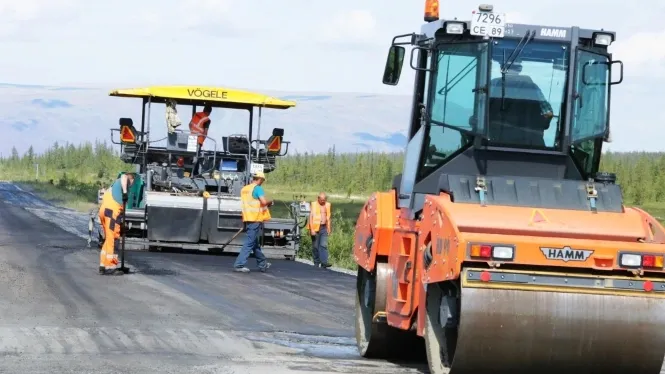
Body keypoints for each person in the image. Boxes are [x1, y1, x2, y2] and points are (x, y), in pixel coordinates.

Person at [233, 171, 273, 273]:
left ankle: (262, 263)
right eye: (262, 180)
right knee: (249, 243)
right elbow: (263, 202)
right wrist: (271, 202)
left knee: (255, 243)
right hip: (255, 218)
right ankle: (239, 264)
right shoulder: (257, 188)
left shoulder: (245, 189)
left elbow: (252, 203)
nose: (262, 182)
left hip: (247, 217)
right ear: (260, 179)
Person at [97, 172, 136, 275]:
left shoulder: (114, 186)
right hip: (111, 212)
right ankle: (111, 267)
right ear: (131, 179)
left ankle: (103, 265)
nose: (131, 184)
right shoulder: (124, 180)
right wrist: (125, 191)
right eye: (132, 182)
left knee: (108, 239)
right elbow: (123, 176)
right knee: (113, 239)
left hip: (104, 211)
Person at [309, 192, 332, 268]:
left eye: (324, 200)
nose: (323, 201)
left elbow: (328, 217)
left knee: (323, 245)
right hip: (315, 228)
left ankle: (324, 262)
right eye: (322, 200)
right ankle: (316, 262)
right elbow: (311, 217)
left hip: (324, 228)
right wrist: (312, 229)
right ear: (318, 198)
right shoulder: (313, 204)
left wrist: (329, 228)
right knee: (315, 246)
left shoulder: (328, 205)